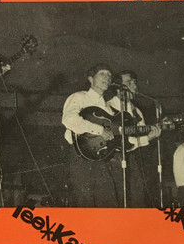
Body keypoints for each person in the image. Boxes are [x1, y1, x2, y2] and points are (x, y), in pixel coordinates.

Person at [62, 63, 123, 207]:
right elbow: (69, 119)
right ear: (90, 78)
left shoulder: (108, 108)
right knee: (84, 203)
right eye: (102, 74)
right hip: (81, 157)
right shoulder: (79, 97)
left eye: (109, 75)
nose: (107, 77)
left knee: (108, 203)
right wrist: (100, 130)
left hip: (102, 159)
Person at [107, 70, 161, 207]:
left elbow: (140, 136)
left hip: (131, 158)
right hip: (113, 159)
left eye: (135, 83)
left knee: (137, 197)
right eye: (129, 82)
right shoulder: (109, 107)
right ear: (118, 88)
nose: (134, 86)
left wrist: (152, 133)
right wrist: (147, 138)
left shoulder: (137, 111)